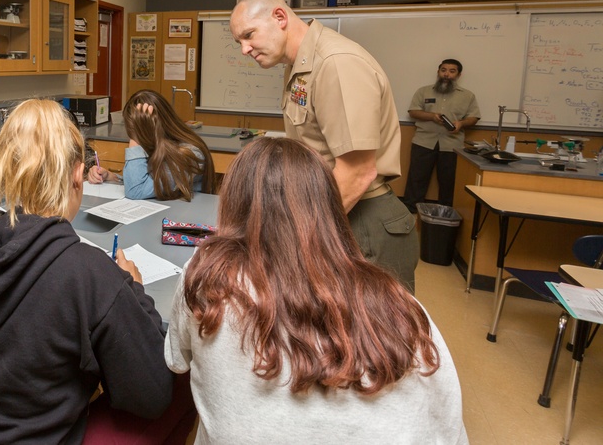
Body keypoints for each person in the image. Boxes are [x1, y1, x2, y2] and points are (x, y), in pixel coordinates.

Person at [0, 99, 196, 445]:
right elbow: (151, 397)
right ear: (78, 174)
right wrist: (136, 293)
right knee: (184, 387)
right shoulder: (90, 273)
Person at [165, 137, 468, 444]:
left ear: (233, 204)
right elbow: (449, 425)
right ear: (330, 209)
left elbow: (177, 360)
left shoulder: (206, 278)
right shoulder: (400, 305)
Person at [230, 0, 418, 291]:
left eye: (249, 35)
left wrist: (299, 237)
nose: (244, 49)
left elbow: (358, 172)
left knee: (375, 335)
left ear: (279, 17)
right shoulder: (299, 66)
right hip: (337, 214)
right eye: (239, 41)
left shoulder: (335, 62)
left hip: (361, 221)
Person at [88, 89, 214, 200]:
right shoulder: (155, 145)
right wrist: (112, 177)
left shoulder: (189, 154)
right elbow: (150, 181)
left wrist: (136, 136)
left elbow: (136, 190)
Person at [403, 59, 481, 213]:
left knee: (448, 183)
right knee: (416, 180)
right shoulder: (423, 91)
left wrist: (461, 123)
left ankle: (445, 216)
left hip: (452, 145)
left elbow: (474, 117)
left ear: (459, 75)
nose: (447, 74)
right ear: (438, 72)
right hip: (423, 141)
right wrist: (431, 116)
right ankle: (410, 213)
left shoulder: (468, 96)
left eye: (452, 71)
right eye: (443, 70)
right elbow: (413, 111)